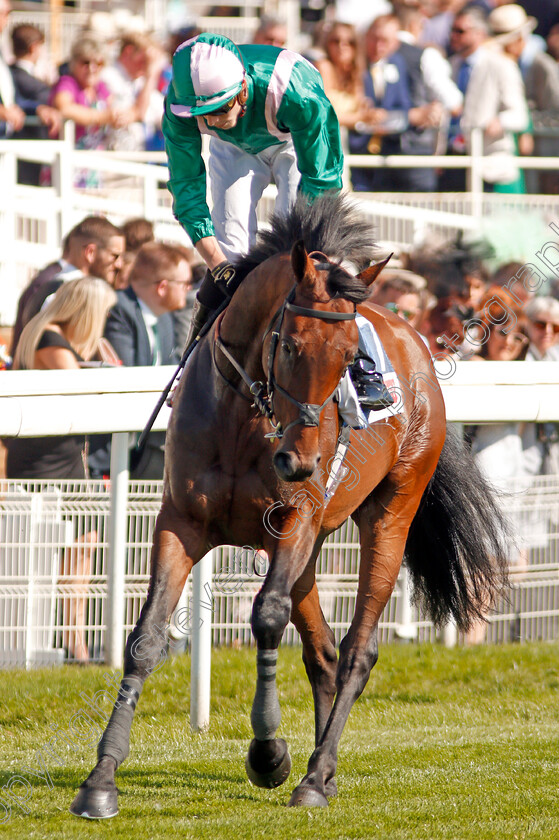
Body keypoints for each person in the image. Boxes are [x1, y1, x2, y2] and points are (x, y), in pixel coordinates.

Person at [162, 32, 391, 410]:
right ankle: (192, 364)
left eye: (219, 111)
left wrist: (301, 261)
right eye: (201, 117)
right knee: (231, 249)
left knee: (307, 255)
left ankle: (364, 363)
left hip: (294, 146)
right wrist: (218, 266)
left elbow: (323, 183)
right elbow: (186, 189)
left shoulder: (296, 92)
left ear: (241, 92)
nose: (212, 123)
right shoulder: (180, 104)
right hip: (234, 154)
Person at [4, 277, 117, 662]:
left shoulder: (46, 334)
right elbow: (80, 391)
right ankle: (69, 644)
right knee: (59, 550)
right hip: (46, 462)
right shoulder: (51, 340)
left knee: (81, 547)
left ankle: (76, 643)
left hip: (62, 458)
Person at [91, 242, 190, 480]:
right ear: (163, 287)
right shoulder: (118, 309)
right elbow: (127, 374)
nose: (189, 289)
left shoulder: (165, 318)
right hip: (109, 450)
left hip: (143, 446)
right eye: (185, 283)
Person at [448, 7, 529, 193]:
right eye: (452, 30)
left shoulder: (501, 65)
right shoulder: (452, 65)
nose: (454, 36)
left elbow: (519, 114)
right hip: (454, 161)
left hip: (487, 165)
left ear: (479, 33)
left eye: (460, 31)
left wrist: (499, 121)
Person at [17, 216, 125, 344]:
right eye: (115, 255)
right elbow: (49, 344)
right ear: (90, 252)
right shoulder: (67, 291)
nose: (119, 264)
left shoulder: (61, 287)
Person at [9, 24, 61, 185]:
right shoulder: (23, 78)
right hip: (26, 151)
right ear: (34, 47)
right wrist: (38, 108)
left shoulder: (11, 72)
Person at [101, 31, 166, 151]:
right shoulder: (108, 76)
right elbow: (134, 114)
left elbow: (164, 115)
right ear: (129, 51)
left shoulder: (139, 82)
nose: (147, 64)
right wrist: (151, 76)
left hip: (136, 157)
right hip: (111, 158)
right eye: (144, 58)